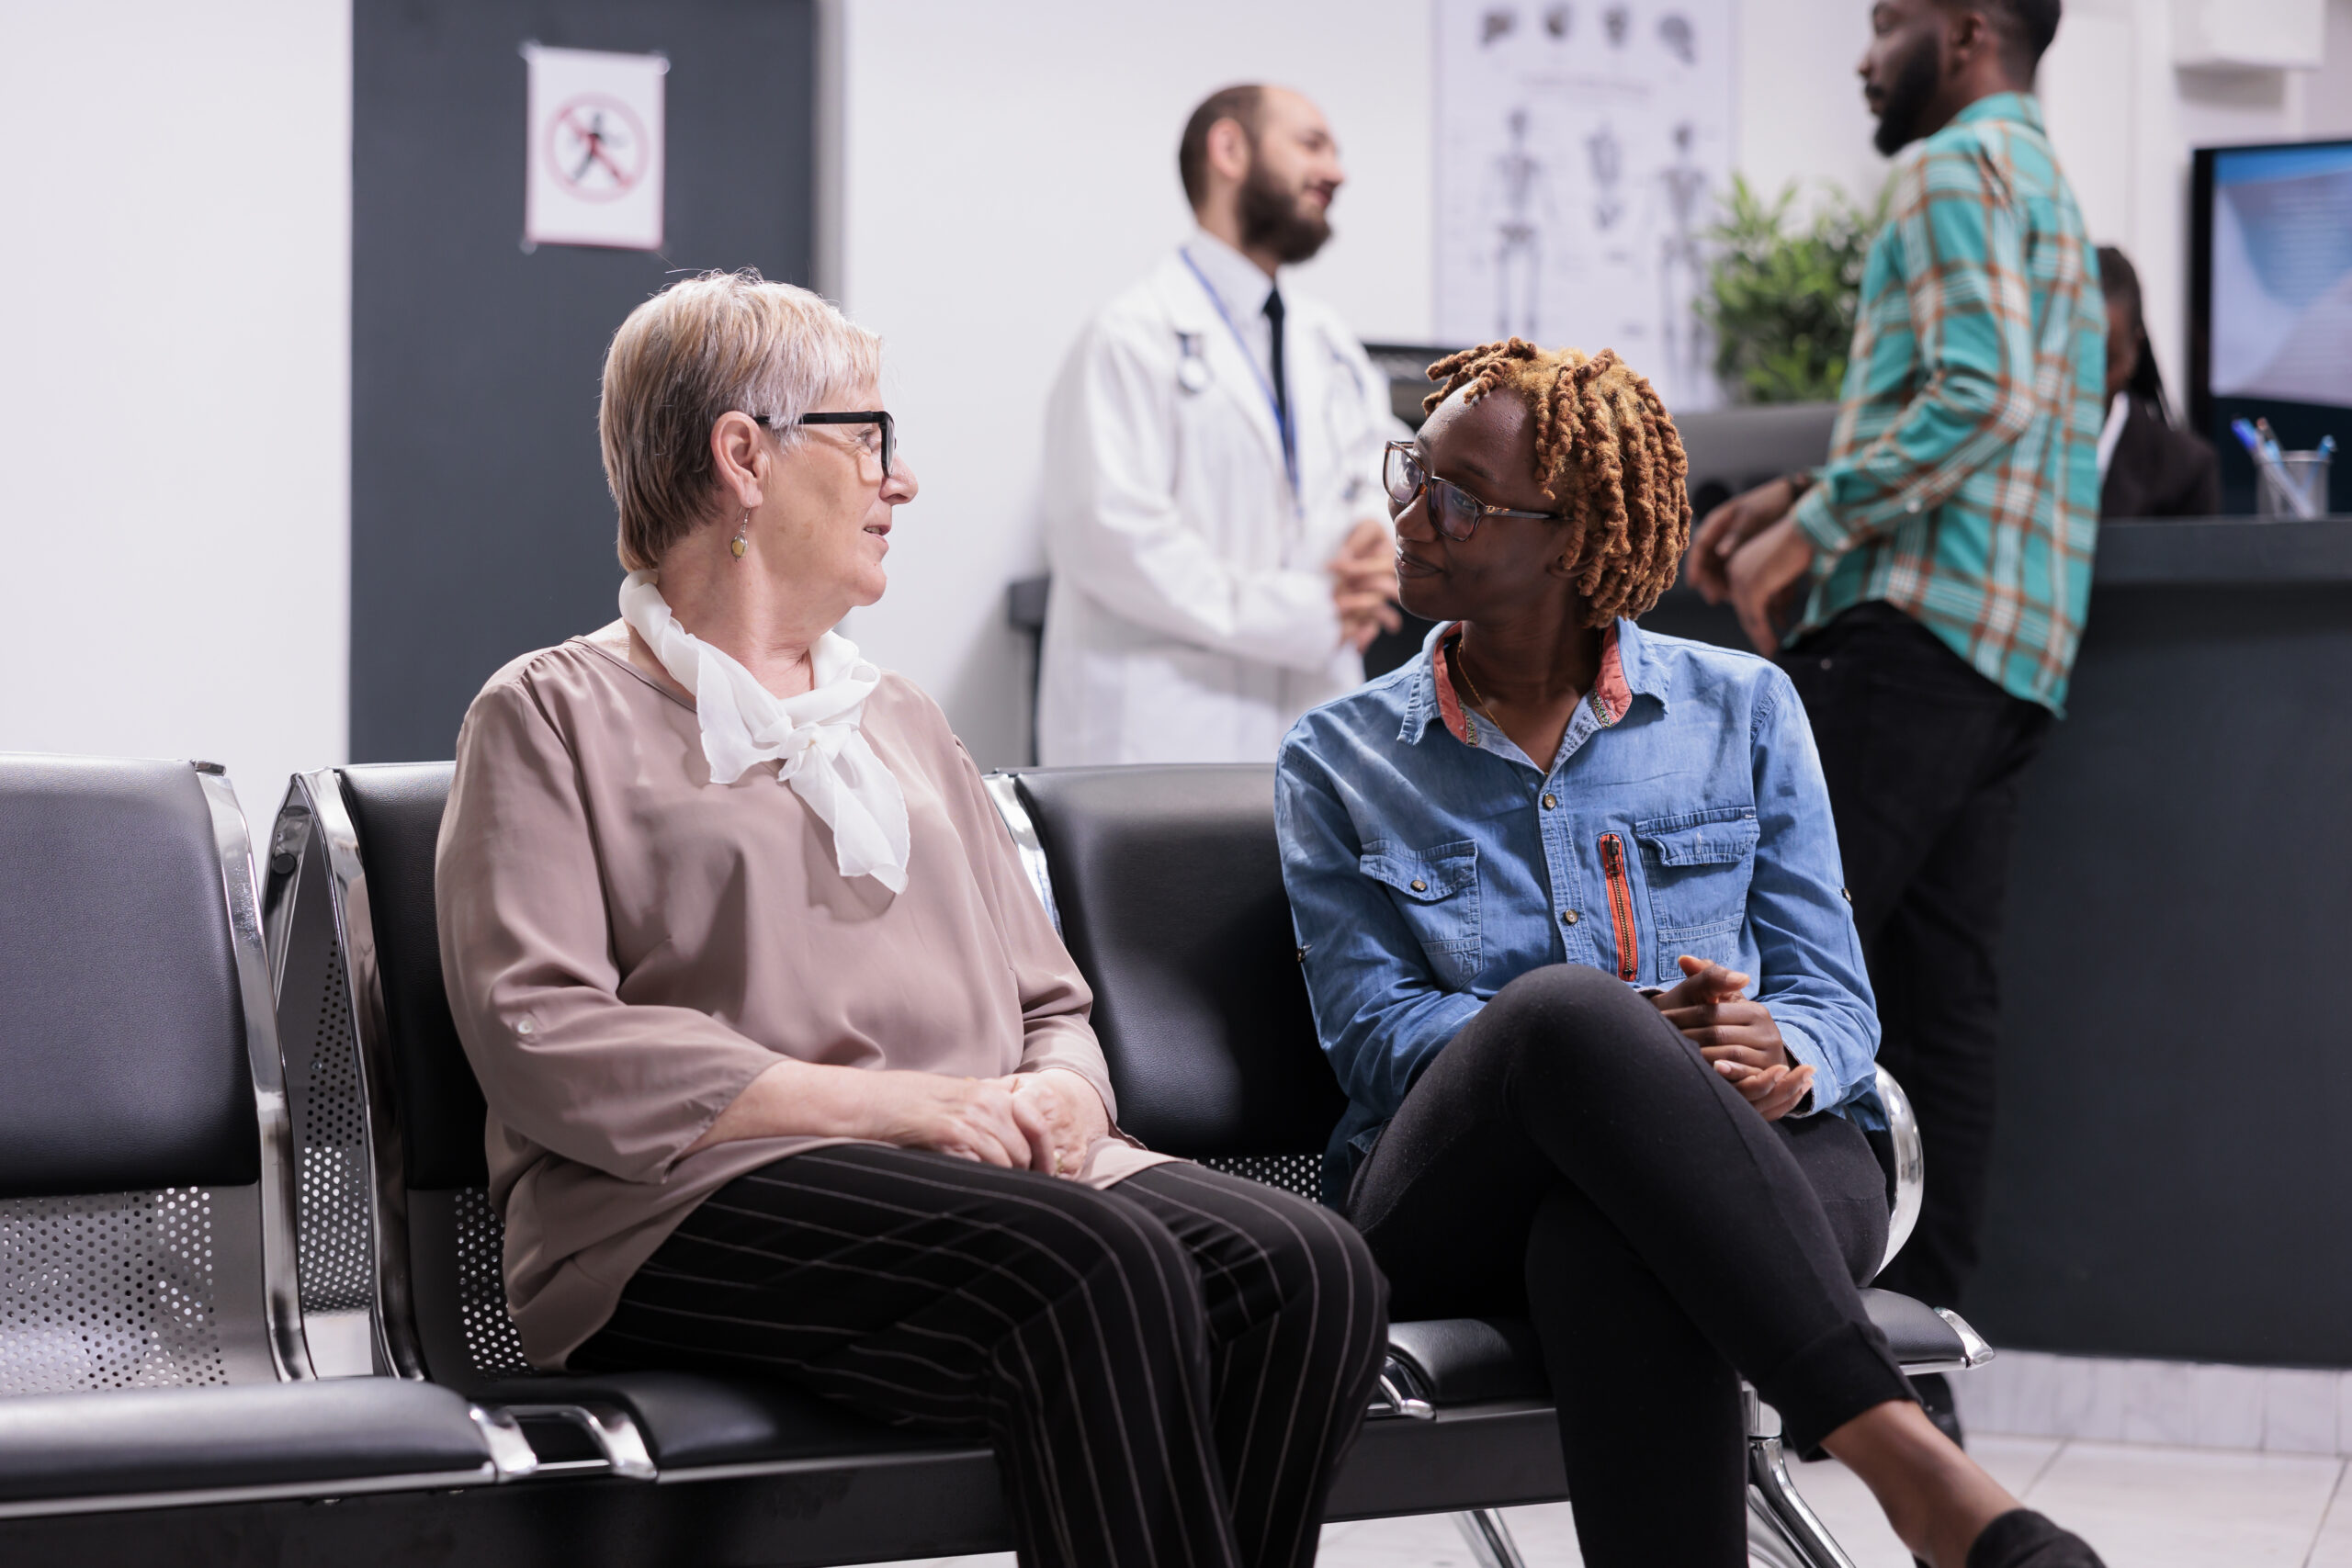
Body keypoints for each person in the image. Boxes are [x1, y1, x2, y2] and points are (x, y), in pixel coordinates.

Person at [435, 271, 1387, 1568]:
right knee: (1099, 1268)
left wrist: (1065, 1092)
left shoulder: (902, 718)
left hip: (984, 1180)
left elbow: (1052, 1000)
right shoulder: (546, 713)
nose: (903, 480)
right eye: (870, 435)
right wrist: (908, 1108)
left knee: (1310, 1273)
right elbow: (542, 1036)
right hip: (682, 1210)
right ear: (743, 457)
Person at [1278, 338, 2105, 1568]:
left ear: (1569, 538)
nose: (1408, 515)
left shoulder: (1746, 708)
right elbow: (1377, 1035)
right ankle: (1911, 1465)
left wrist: (1781, 1053)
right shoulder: (1335, 757)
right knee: (1566, 1015)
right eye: (1413, 473)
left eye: (1458, 498)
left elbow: (1834, 1000)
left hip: (1765, 1150)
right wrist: (1627, 1043)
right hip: (1456, 1190)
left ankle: (1915, 1478)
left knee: (1610, 1242)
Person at [1686, 0, 2103, 1440]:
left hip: (1912, 631)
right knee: (1941, 1008)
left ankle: (1780, 1361)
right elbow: (1994, 395)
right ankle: (1909, 1386)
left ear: (1968, 28)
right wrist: (1797, 492)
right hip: (2014, 649)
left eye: (1886, 22)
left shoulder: (1942, 165)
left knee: (1778, 973)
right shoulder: (2045, 182)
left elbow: (1978, 394)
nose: (1866, 55)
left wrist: (1807, 535)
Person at [1038, 84, 1403, 765]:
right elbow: (1114, 539)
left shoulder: (1328, 341)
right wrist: (1311, 613)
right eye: (1312, 145)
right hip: (1164, 735)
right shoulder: (1130, 336)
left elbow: (1381, 469)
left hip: (1313, 718)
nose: (1336, 172)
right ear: (1229, 149)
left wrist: (1375, 538)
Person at [2095, 244, 2220, 519]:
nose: (2088, 385)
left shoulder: (2186, 470)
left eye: (2105, 364)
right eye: (2075, 361)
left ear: (2134, 350)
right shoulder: (2019, 452)